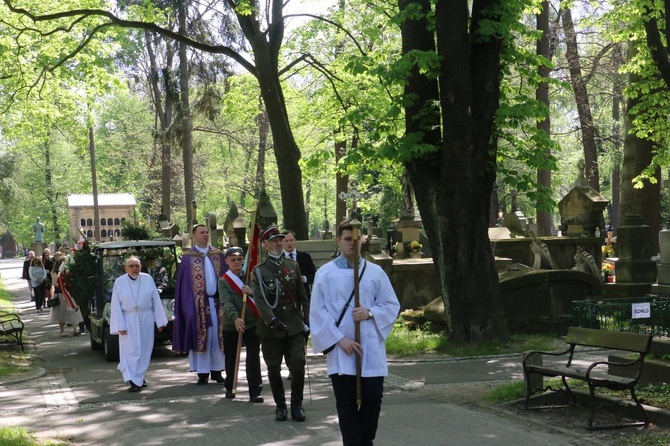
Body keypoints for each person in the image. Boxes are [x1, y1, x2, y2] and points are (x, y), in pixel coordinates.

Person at [309, 220, 400, 446]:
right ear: (338, 240)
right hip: (342, 351)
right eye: (347, 239)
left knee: (373, 397)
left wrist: (369, 312)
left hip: (370, 347)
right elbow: (317, 312)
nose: (352, 243)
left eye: (356, 239)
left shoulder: (375, 272)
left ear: (362, 240)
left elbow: (390, 304)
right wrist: (339, 339)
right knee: (347, 403)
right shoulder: (325, 274)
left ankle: (365, 440)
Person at [251, 225, 309, 422]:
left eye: (280, 240)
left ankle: (297, 405)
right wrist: (272, 320)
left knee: (298, 365)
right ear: (266, 244)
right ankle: (280, 406)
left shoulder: (293, 266)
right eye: (274, 240)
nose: (278, 243)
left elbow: (303, 296)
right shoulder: (259, 271)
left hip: (293, 325)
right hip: (271, 328)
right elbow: (259, 299)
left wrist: (307, 321)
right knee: (274, 367)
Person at [173, 224, 228, 385]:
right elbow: (183, 286)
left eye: (206, 232)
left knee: (217, 338)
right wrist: (187, 307)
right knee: (202, 337)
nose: (205, 235)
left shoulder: (217, 254)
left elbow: (225, 277)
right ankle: (202, 373)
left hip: (217, 302)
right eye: (201, 233)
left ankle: (217, 370)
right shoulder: (188, 257)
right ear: (194, 236)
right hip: (197, 305)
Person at [110, 256, 168, 393]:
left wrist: (159, 321)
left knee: (145, 349)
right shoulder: (119, 282)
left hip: (145, 317)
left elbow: (156, 300)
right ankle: (134, 380)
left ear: (141, 267)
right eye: (131, 266)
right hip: (128, 319)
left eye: (137, 266)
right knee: (131, 350)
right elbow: (115, 305)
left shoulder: (148, 279)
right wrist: (120, 325)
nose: (134, 268)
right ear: (126, 268)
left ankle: (139, 377)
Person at [218, 246, 263, 402]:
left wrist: (252, 292)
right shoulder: (224, 281)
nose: (236, 262)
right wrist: (235, 318)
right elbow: (226, 302)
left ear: (243, 260)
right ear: (227, 261)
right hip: (231, 324)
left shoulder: (250, 277)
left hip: (252, 323)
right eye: (233, 260)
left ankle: (255, 390)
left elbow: (262, 296)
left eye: (239, 259)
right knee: (231, 357)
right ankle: (230, 386)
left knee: (253, 357)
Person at [49, 252, 83, 337]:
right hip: (60, 294)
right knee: (61, 313)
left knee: (73, 310)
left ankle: (75, 329)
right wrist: (63, 286)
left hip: (69, 294)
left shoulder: (69, 271)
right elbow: (54, 283)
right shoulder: (56, 272)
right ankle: (62, 330)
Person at [282, 230, 316, 299]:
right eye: (286, 241)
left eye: (291, 240)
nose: (289, 243)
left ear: (295, 241)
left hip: (304, 296)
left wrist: (304, 279)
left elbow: (314, 275)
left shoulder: (305, 257)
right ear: (282, 243)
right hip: (286, 298)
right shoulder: (279, 259)